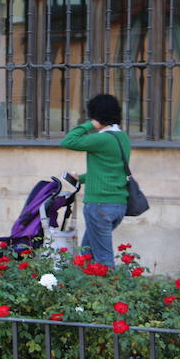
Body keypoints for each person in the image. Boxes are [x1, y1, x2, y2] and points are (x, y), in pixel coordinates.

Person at [60, 94, 130, 268]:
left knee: (103, 261)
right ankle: (86, 291)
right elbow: (111, 171)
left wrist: (91, 123)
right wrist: (80, 179)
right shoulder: (123, 138)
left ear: (96, 114)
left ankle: (113, 293)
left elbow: (68, 141)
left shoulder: (101, 139)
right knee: (86, 254)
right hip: (118, 205)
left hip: (99, 205)